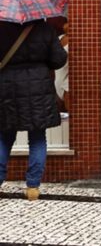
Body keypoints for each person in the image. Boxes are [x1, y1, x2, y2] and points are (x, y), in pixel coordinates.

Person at [0, 19, 68, 200]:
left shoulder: (2, 29)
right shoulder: (45, 29)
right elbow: (59, 59)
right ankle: (32, 187)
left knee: (4, 137)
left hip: (7, 89)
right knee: (37, 137)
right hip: (39, 90)